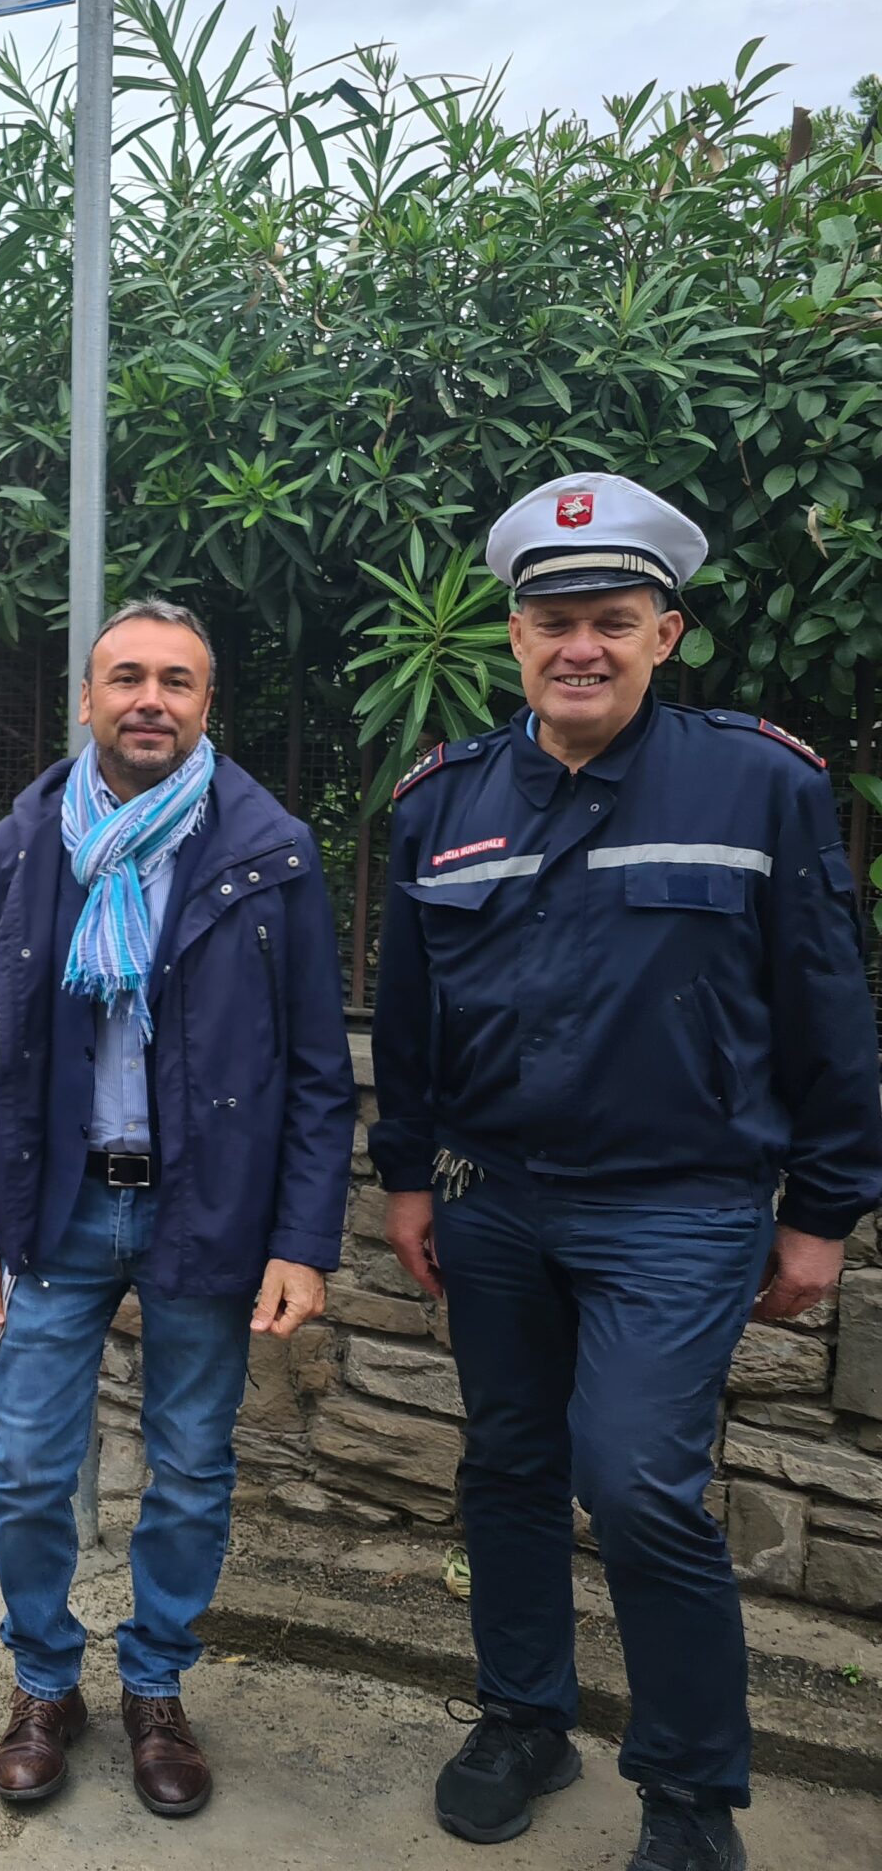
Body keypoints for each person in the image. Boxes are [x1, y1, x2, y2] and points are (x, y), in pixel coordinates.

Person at [371, 472, 882, 1871]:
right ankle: (524, 1717)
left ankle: (690, 1792)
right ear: (512, 638)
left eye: (610, 618)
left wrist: (826, 1213)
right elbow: (406, 1017)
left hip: (682, 1206)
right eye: (551, 622)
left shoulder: (761, 785)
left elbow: (831, 1010)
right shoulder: (444, 805)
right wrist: (405, 1177)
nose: (577, 646)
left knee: (640, 1482)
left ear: (666, 633)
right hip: (496, 1203)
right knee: (512, 1465)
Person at [0, 599, 356, 1818]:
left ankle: (156, 1687)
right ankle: (42, 1683)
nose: (149, 700)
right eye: (125, 677)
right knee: (22, 1469)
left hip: (204, 1214)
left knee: (188, 1467)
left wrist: (301, 1239)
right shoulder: (29, 841)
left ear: (205, 704)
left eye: (176, 680)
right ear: (87, 699)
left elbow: (317, 1068)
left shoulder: (269, 848)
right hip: (58, 1212)